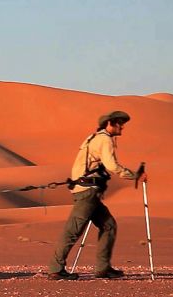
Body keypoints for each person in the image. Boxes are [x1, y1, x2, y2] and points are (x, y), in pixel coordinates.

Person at [48, 111, 147, 280]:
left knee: (109, 225)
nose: (122, 127)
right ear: (110, 123)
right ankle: (56, 269)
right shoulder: (104, 139)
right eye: (119, 123)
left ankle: (103, 268)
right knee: (73, 230)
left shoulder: (93, 138)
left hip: (88, 190)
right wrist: (134, 175)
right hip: (88, 191)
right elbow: (111, 165)